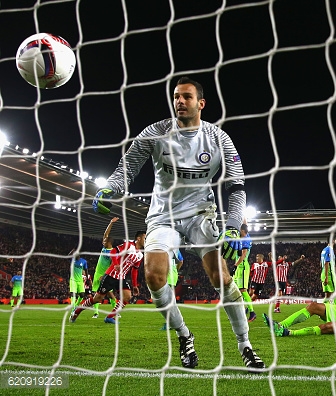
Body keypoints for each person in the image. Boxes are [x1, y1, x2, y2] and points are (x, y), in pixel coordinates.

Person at [91, 76, 265, 370]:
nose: (180, 102)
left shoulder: (218, 138)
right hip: (163, 215)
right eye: (176, 97)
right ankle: (184, 335)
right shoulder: (156, 132)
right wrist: (111, 188)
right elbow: (127, 168)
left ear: (201, 103)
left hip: (201, 215)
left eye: (186, 97)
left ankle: (245, 345)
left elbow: (236, 186)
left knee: (220, 278)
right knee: (154, 276)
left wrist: (233, 224)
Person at [70, 230, 146, 324]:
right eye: (145, 238)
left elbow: (135, 270)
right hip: (110, 275)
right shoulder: (129, 245)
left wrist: (135, 285)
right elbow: (113, 251)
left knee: (127, 297)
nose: (146, 240)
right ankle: (77, 311)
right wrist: (116, 264)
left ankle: (109, 317)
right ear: (138, 238)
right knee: (97, 299)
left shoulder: (140, 255)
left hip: (121, 278)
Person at [91, 217, 120, 319]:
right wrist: (111, 222)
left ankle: (116, 311)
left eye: (105, 240)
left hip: (105, 275)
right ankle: (96, 312)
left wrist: (104, 276)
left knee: (110, 294)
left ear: (109, 242)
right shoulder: (104, 248)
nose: (103, 241)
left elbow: (113, 266)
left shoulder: (113, 253)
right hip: (98, 274)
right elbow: (105, 234)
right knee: (96, 293)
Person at [233, 223, 256, 322]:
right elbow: (245, 223)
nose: (238, 232)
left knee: (243, 290)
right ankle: (242, 310)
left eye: (239, 230)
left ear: (243, 231)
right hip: (239, 266)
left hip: (242, 266)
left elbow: (243, 255)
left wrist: (235, 266)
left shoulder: (246, 239)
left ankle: (252, 312)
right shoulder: (246, 234)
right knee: (237, 291)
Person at [161, 248, 184, 330]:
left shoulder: (163, 247)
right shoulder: (176, 249)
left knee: (166, 300)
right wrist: (176, 270)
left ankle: (171, 323)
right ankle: (172, 322)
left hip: (167, 275)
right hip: (173, 276)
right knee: (170, 299)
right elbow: (181, 261)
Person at [321, 240, 336, 306]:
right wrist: (326, 277)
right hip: (329, 275)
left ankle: (322, 311)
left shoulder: (324, 250)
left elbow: (321, 263)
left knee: (327, 296)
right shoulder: (330, 250)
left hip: (324, 273)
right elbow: (326, 262)